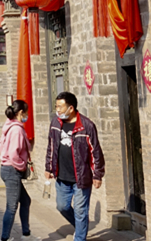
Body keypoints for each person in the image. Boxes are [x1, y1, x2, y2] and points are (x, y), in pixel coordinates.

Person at [45, 92, 105, 241]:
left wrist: (97, 175)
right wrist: (48, 167)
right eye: (56, 106)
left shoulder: (86, 126)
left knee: (80, 210)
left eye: (60, 106)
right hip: (62, 176)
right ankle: (81, 225)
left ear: (70, 108)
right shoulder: (55, 123)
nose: (57, 110)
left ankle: (79, 237)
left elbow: (96, 152)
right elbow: (51, 146)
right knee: (62, 206)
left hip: (81, 177)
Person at [0, 99, 33, 241]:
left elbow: (1, 145)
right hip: (12, 170)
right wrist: (21, 166)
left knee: (25, 201)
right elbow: (13, 154)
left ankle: (26, 234)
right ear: (21, 112)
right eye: (26, 113)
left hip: (7, 168)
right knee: (12, 207)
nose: (27, 116)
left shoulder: (8, 125)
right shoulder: (17, 130)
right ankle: (4, 238)